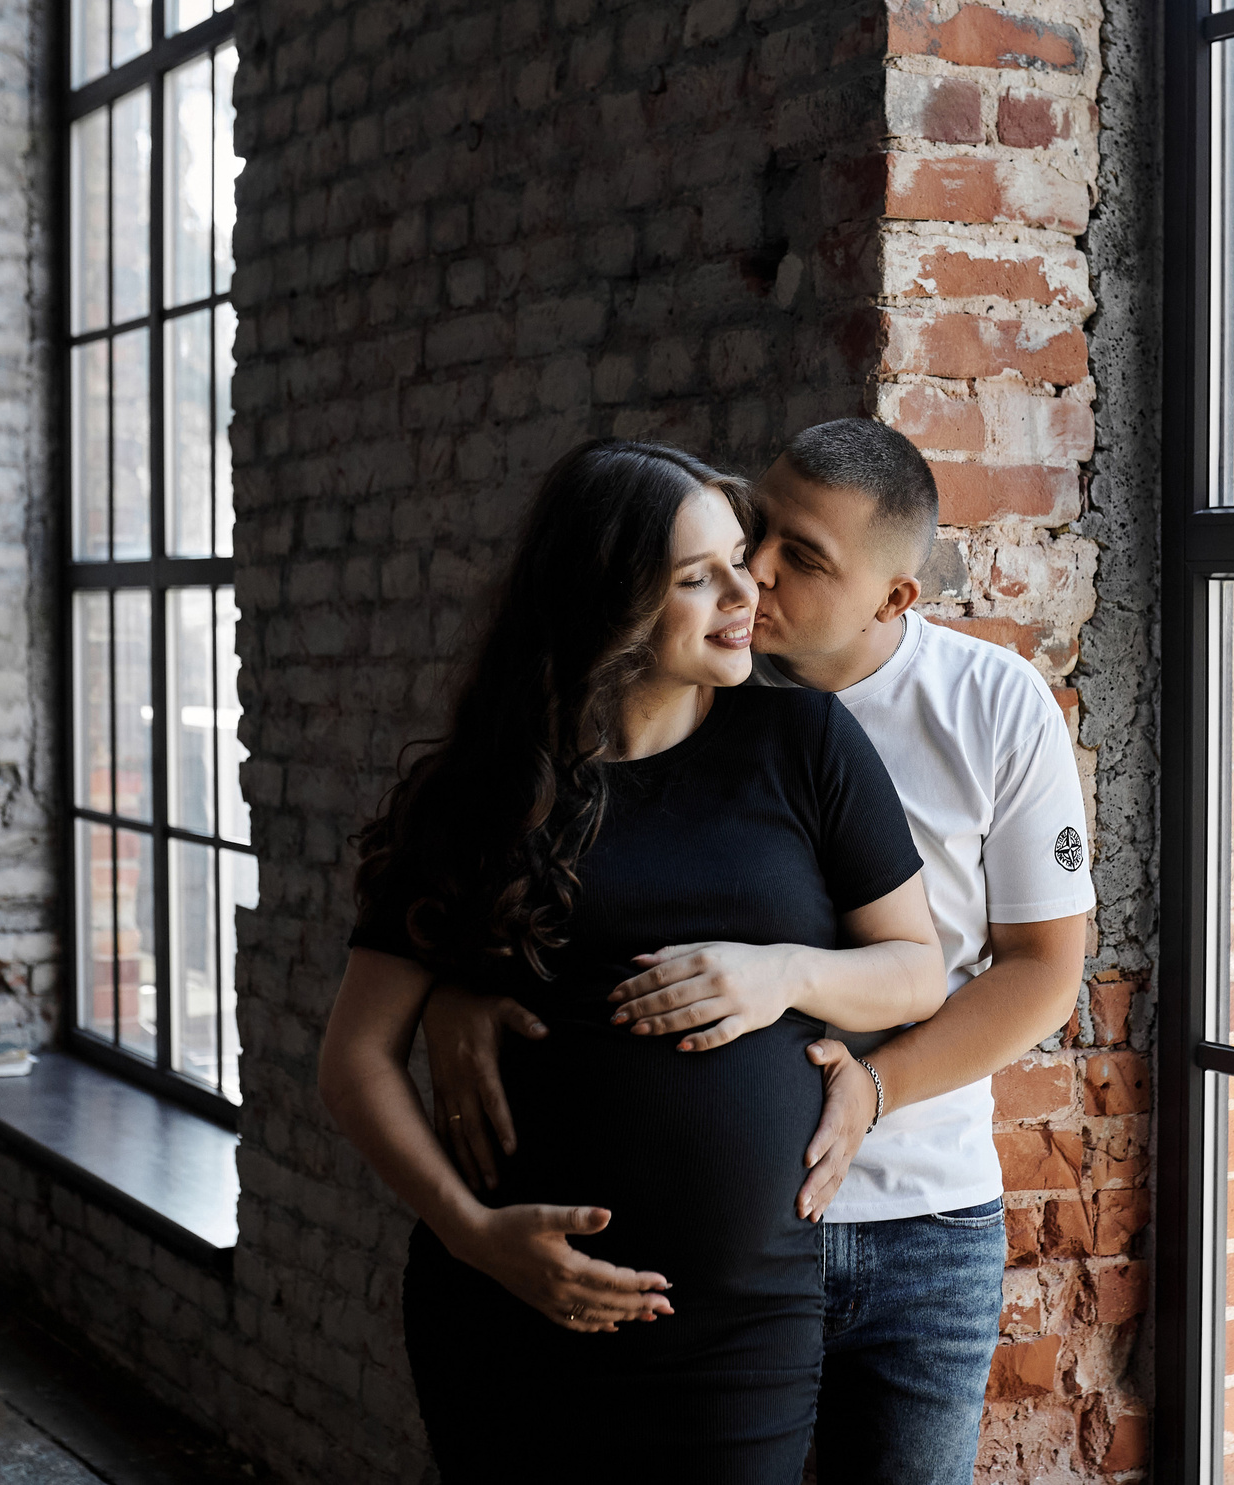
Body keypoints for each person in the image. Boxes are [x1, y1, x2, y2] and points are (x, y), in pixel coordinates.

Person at [424, 418, 1094, 1485]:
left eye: (803, 558)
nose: (760, 572)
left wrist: (873, 1085)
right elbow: (554, 873)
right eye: (756, 532)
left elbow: (1045, 969)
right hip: (704, 1246)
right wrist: (460, 981)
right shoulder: (693, 695)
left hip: (914, 1217)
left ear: (891, 598)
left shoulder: (990, 703)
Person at [316, 438, 949, 1485]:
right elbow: (354, 1059)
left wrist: (782, 972)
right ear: (607, 603)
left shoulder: (803, 741)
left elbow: (913, 969)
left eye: (739, 558)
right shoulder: (484, 790)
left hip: (738, 1327)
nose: (747, 591)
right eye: (698, 576)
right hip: (509, 1308)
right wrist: (474, 1233)